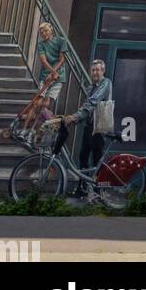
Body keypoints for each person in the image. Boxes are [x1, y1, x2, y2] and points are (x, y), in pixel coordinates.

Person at [58, 58, 113, 196]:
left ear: (103, 71)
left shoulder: (106, 83)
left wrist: (74, 117)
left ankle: (99, 192)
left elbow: (92, 103)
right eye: (93, 70)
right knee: (82, 157)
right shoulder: (91, 86)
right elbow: (85, 107)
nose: (95, 72)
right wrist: (73, 119)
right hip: (89, 126)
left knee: (97, 160)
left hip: (99, 127)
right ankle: (81, 189)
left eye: (97, 70)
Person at [36, 21, 67, 118]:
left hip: (58, 76)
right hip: (45, 75)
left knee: (47, 103)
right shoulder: (41, 44)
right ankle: (30, 124)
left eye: (46, 31)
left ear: (51, 30)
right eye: (41, 32)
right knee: (38, 102)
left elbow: (62, 60)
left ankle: (41, 123)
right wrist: (52, 73)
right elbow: (44, 61)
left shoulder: (61, 41)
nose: (44, 33)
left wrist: (54, 74)